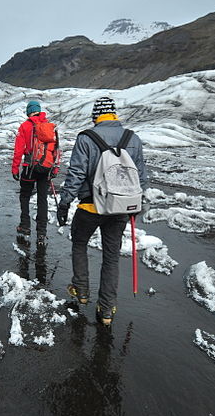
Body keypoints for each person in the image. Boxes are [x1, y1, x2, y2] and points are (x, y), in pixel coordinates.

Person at [56, 96, 149, 326]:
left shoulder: (86, 138)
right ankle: (106, 310)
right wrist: (138, 206)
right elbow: (141, 177)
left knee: (79, 243)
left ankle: (82, 291)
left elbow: (76, 174)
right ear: (114, 114)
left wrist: (64, 203)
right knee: (111, 257)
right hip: (119, 208)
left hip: (90, 206)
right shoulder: (133, 139)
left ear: (96, 115)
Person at [11, 100, 56, 245]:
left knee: (25, 196)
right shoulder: (49, 126)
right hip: (45, 168)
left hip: (30, 168)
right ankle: (41, 233)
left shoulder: (25, 126)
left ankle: (25, 226)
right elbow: (56, 149)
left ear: (29, 111)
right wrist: (54, 168)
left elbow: (18, 150)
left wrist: (15, 168)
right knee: (42, 199)